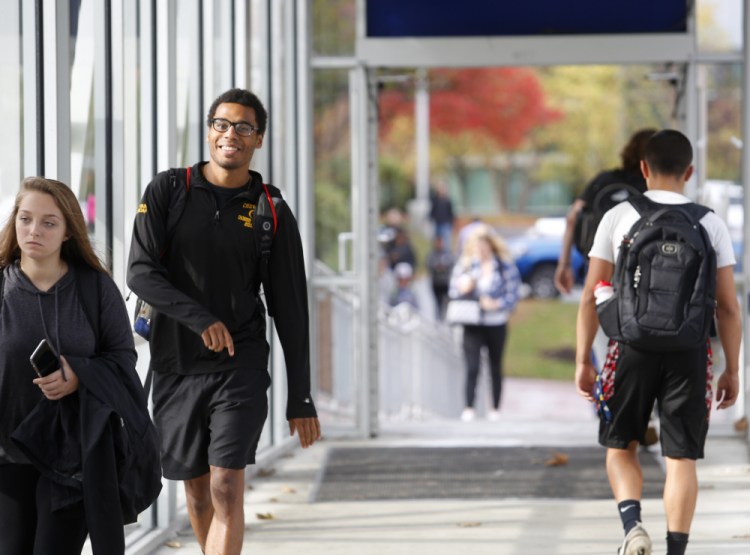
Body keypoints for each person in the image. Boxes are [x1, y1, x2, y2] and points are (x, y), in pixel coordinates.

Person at [127, 88, 321, 555]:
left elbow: (290, 310)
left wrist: (302, 396)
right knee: (195, 492)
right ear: (210, 130)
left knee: (227, 486)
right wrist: (199, 319)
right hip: (176, 366)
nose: (231, 135)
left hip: (241, 363)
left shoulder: (271, 211)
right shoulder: (168, 190)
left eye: (244, 128)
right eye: (222, 124)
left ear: (258, 140)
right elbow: (140, 271)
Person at [575, 130, 741, 555]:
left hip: (629, 346)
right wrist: (733, 370)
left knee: (620, 445)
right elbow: (727, 308)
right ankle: (676, 550)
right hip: (690, 352)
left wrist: (583, 360)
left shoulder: (619, 217)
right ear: (690, 171)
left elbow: (592, 293)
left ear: (643, 169)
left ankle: (633, 527)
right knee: (681, 458)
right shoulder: (710, 222)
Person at [0, 177, 160, 554]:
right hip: (6, 455)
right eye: (25, 219)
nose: (33, 230)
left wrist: (78, 376)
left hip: (74, 456)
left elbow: (123, 359)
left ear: (69, 230)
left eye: (48, 222)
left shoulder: (95, 287)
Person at [555, 128, 656, 294]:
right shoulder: (649, 187)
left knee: (596, 303)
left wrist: (564, 264)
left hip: (599, 261)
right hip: (638, 268)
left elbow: (572, 217)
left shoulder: (604, 180)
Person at [449, 225, 521, 422]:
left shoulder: (504, 266)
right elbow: (453, 292)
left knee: (495, 366)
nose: (481, 250)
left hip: (495, 321)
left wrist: (497, 304)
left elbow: (513, 295)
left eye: (484, 246)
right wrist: (467, 287)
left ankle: (495, 407)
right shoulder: (465, 266)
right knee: (472, 366)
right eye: (477, 246)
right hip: (471, 321)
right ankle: (469, 407)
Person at [426, 235, 454, 320]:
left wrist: (444, 267)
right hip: (436, 283)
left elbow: (452, 264)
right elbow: (429, 265)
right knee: (438, 304)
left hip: (446, 283)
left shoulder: (448, 254)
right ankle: (439, 320)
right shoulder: (432, 255)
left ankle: (447, 319)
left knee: (447, 303)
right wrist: (437, 267)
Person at [429, 180, 455, 249]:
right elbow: (433, 211)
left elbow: (450, 213)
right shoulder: (435, 200)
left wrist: (450, 223)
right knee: (437, 241)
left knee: (446, 242)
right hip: (437, 223)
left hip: (445, 223)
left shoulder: (447, 200)